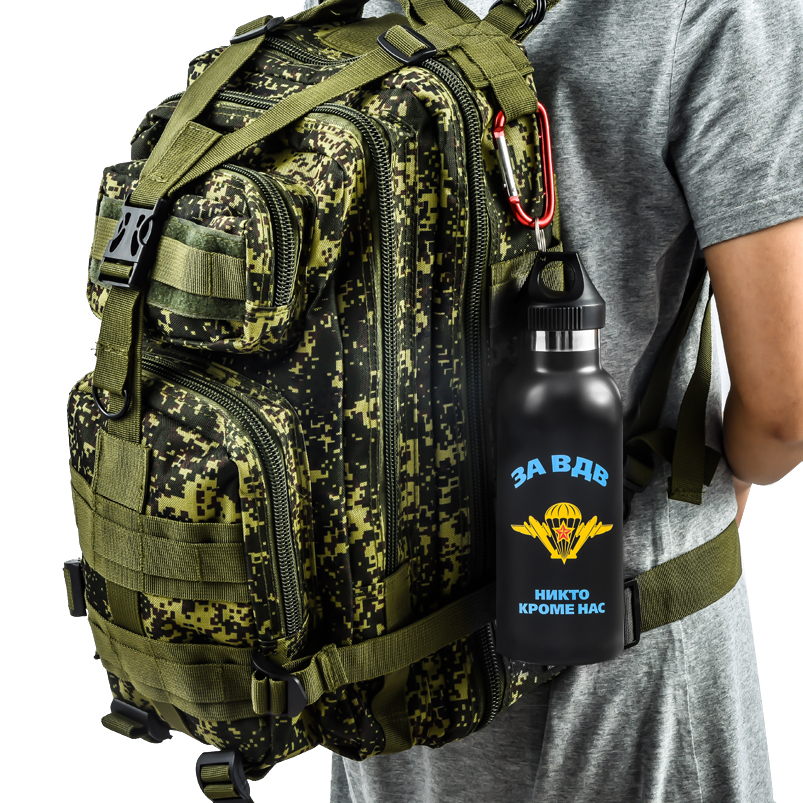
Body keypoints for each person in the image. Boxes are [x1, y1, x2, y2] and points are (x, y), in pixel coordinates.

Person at [303, 0, 803, 801]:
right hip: (630, 648)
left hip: (393, 660)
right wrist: (719, 477)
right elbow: (786, 408)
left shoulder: (364, 7)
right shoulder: (712, 11)